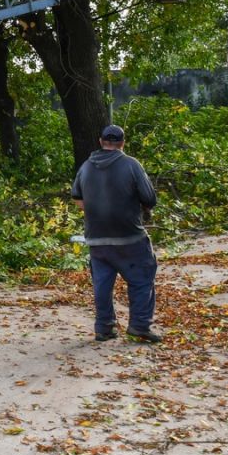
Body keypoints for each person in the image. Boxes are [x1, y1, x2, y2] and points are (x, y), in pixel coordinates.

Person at [71, 124, 162, 343]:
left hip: (97, 239)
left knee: (102, 284)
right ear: (122, 143)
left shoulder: (85, 167)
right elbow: (150, 199)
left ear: (101, 141)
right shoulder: (131, 165)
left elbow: (78, 200)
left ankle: (104, 328)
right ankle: (139, 325)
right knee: (142, 279)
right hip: (129, 237)